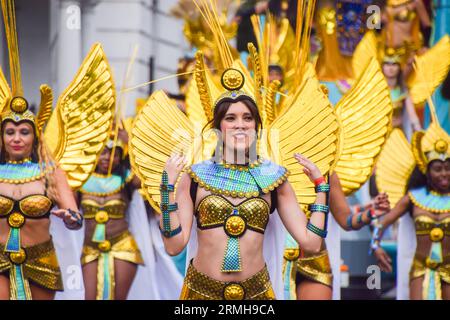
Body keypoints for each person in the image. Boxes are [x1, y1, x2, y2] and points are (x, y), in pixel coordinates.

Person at [373, 123, 450, 300]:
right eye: (438, 169)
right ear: (426, 170)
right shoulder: (413, 198)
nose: (444, 173)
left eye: (448, 168)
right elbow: (381, 223)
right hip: (420, 269)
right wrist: (375, 246)